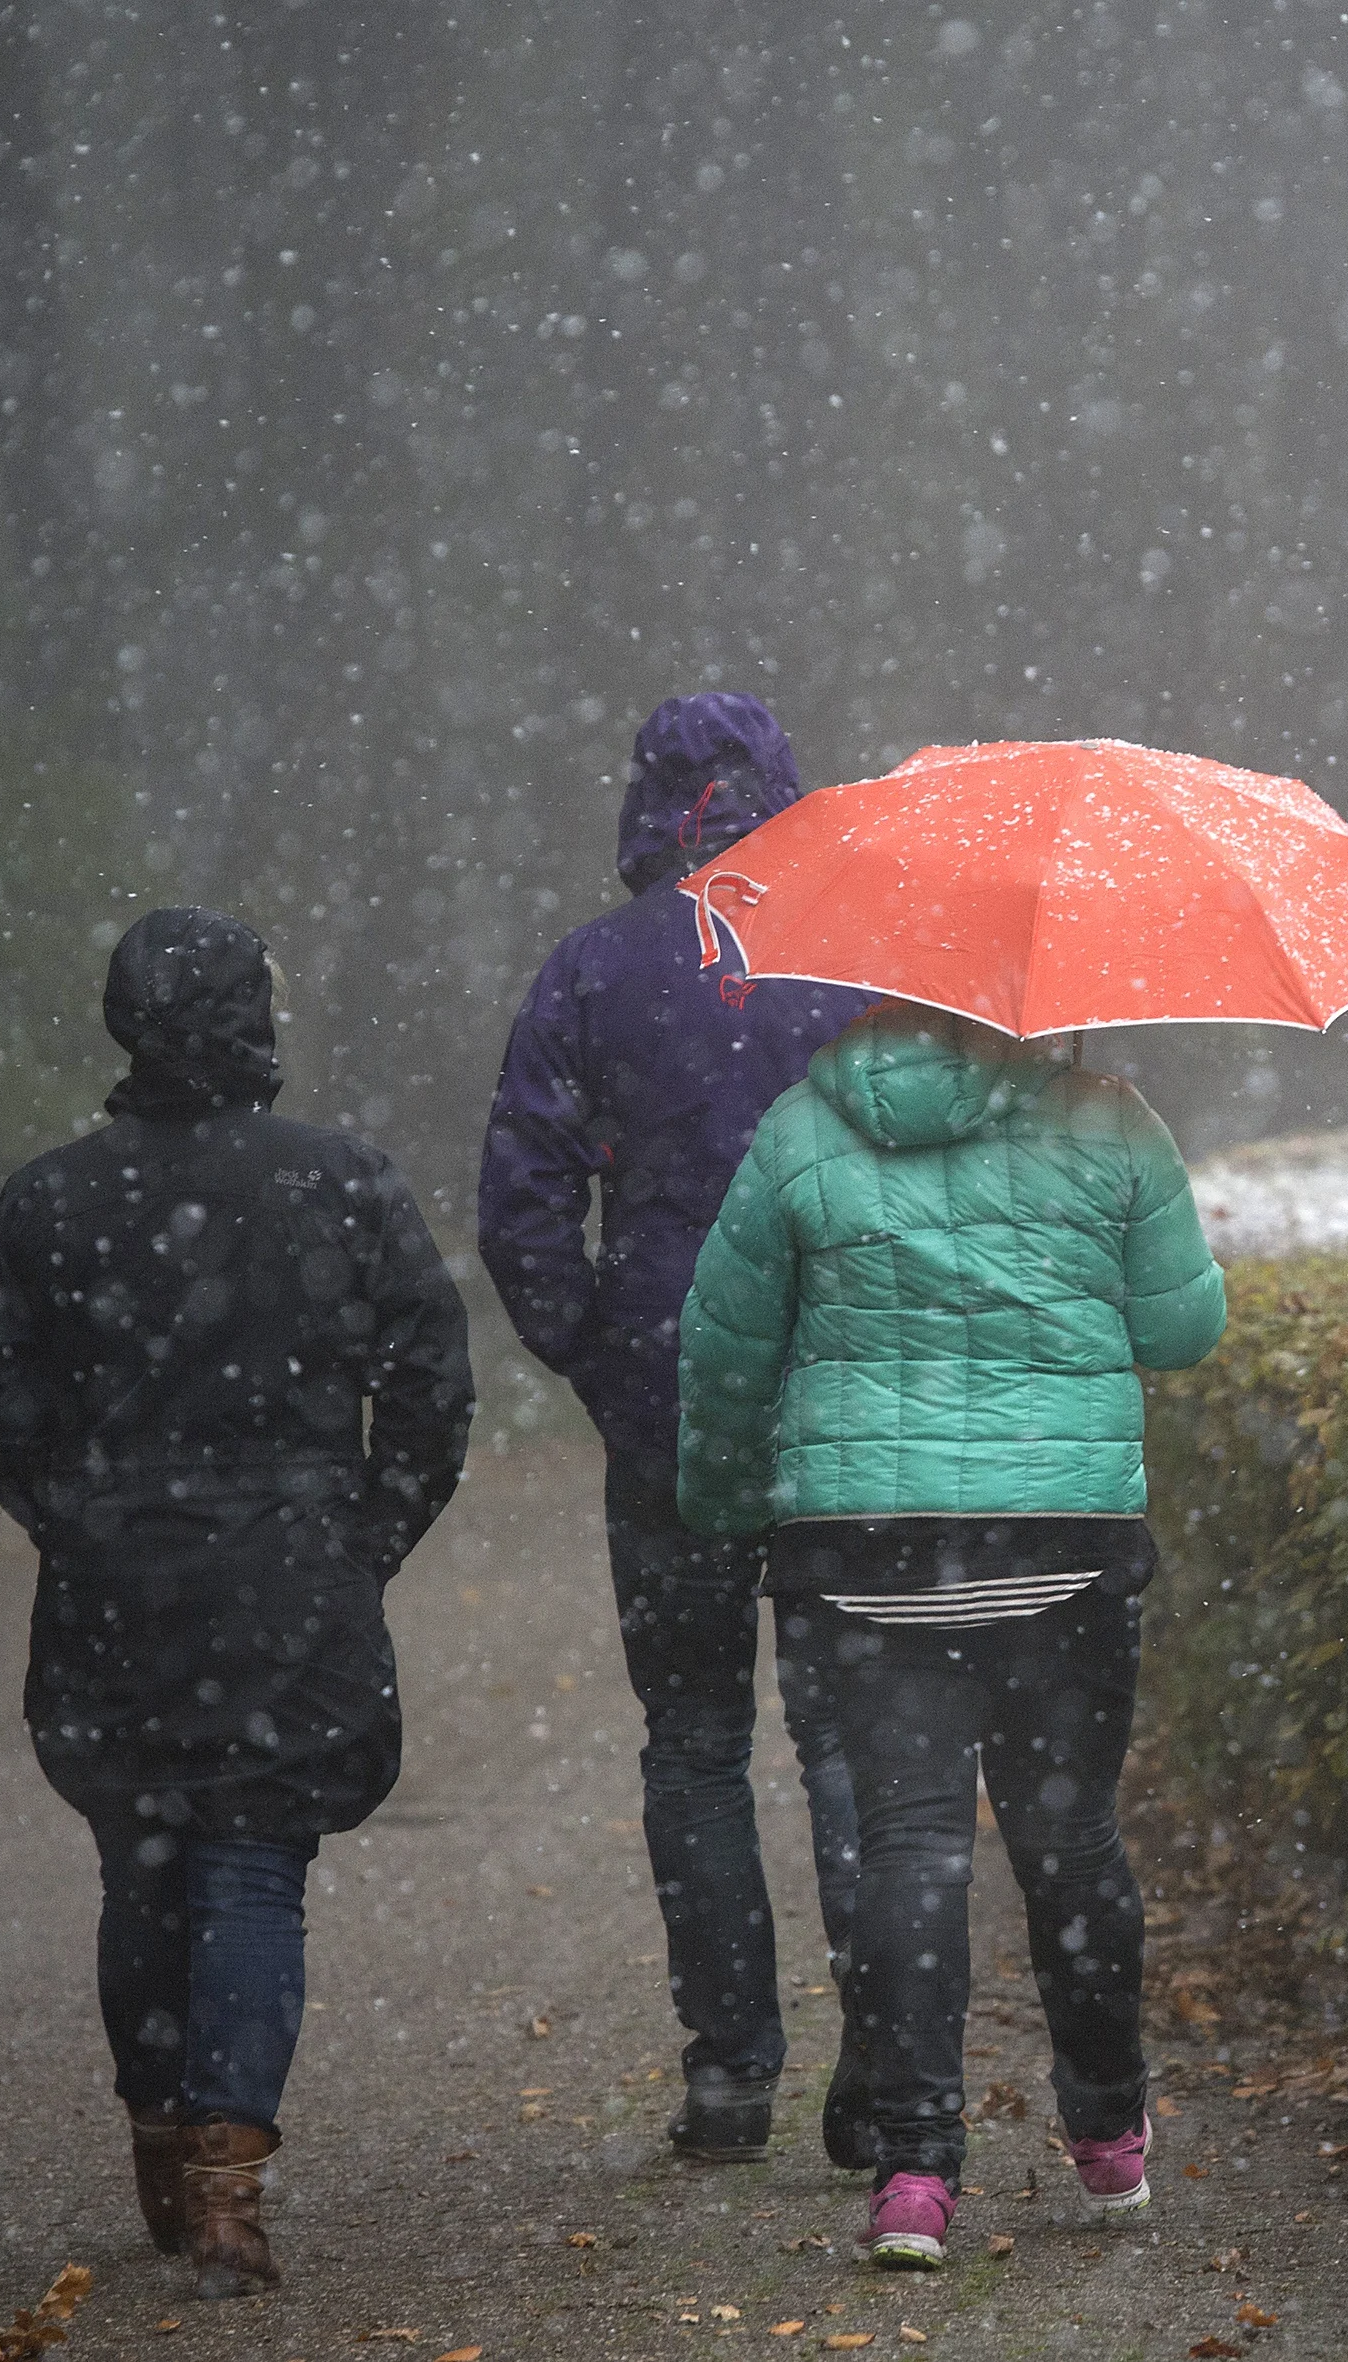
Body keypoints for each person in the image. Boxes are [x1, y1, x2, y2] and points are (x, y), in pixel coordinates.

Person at [0, 908, 474, 2298]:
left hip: (121, 1587)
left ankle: (161, 2118)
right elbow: (429, 1382)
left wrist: (77, 1521)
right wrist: (361, 1533)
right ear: (257, 1020)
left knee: (144, 1859)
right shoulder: (342, 1183)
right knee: (252, 1864)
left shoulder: (51, 1200)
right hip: (288, 1576)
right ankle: (228, 2176)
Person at [676, 999, 1226, 2268]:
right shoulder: (1111, 1121)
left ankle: (915, 2169)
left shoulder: (803, 1131)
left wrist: (721, 1501)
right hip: (1063, 1550)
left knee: (909, 1847)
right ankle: (1106, 2138)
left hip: (869, 1554)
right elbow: (1181, 1332)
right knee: (1069, 1843)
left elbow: (726, 1345)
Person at [478, 691, 876, 2163]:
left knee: (694, 1739)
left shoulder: (592, 972)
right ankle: (887, 2071)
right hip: (844, 1388)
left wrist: (597, 1349)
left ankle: (728, 2073)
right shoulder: (857, 950)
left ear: (648, 802)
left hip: (669, 1398)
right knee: (847, 1735)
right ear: (782, 789)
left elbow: (522, 1199)